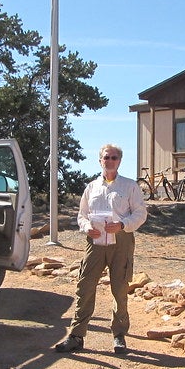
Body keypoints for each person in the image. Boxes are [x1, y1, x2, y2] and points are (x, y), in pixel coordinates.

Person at [55, 143, 148, 355]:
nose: (110, 161)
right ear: (100, 160)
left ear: (120, 161)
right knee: (85, 286)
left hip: (121, 241)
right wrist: (86, 227)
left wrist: (122, 225)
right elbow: (82, 214)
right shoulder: (91, 187)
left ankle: (119, 335)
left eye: (114, 158)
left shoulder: (129, 186)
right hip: (94, 243)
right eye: (107, 157)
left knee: (119, 289)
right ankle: (76, 336)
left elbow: (140, 214)